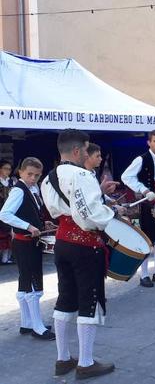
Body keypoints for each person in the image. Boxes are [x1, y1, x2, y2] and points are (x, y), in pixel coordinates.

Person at [41, 129, 122, 379]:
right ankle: (86, 363)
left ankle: (62, 359)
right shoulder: (82, 174)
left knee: (65, 299)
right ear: (76, 150)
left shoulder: (48, 178)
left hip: (63, 242)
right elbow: (90, 215)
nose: (88, 153)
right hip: (86, 245)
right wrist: (114, 214)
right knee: (89, 300)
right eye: (86, 149)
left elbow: (66, 209)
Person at [0, 157, 55, 340]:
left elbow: (31, 212)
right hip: (25, 242)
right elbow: (5, 214)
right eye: (29, 174)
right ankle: (37, 327)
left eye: (37, 175)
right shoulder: (18, 190)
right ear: (21, 172)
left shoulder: (32, 188)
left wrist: (41, 222)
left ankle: (26, 323)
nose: (33, 178)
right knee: (33, 283)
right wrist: (29, 226)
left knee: (25, 282)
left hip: (27, 242)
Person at [121, 129, 155, 288]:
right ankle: (144, 275)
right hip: (148, 204)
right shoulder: (141, 159)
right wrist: (144, 190)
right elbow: (126, 177)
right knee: (146, 240)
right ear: (149, 143)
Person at [0, 160, 15, 264]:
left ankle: (7, 257)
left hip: (10, 209)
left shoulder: (12, 182)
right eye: (5, 168)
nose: (8, 171)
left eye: (9, 169)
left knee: (9, 234)